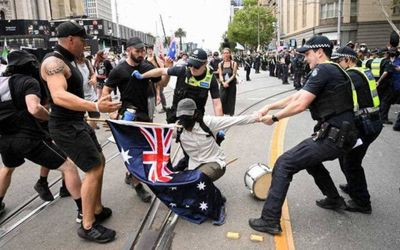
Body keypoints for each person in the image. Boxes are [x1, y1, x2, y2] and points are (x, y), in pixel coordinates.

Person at [249, 36, 358, 235]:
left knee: (284, 163)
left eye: (308, 53)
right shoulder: (330, 70)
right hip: (339, 135)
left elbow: (300, 104)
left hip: (334, 136)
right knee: (310, 161)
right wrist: (269, 106)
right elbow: (298, 95)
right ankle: (334, 199)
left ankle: (270, 220)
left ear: (320, 52)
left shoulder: (323, 69)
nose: (306, 58)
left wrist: (273, 118)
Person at [40, 20, 121, 243]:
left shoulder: (69, 60)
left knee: (100, 160)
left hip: (77, 122)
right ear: (71, 40)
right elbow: (59, 96)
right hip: (65, 127)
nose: (84, 46)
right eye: (83, 41)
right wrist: (96, 107)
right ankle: (87, 225)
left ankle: (96, 208)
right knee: (93, 168)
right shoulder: (54, 62)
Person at [0, 50, 82, 220]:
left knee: (7, 169)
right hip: (29, 138)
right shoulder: (28, 82)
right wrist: (50, 117)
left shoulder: (2, 83)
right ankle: (84, 211)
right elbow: (34, 108)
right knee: (69, 167)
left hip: (5, 139)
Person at [103, 37, 169, 202]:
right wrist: (111, 112)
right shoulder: (119, 70)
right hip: (127, 117)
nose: (141, 54)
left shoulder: (146, 66)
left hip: (145, 115)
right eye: (137, 51)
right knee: (135, 152)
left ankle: (131, 174)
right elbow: (105, 92)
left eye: (143, 51)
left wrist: (167, 69)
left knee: (145, 149)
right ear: (128, 50)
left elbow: (163, 82)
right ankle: (138, 185)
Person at [332, 46, 383, 214]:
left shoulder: (352, 75)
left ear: (348, 60)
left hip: (366, 124)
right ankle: (353, 186)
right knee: (345, 156)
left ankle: (362, 202)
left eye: (339, 61)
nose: (338, 65)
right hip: (371, 122)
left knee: (351, 162)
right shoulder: (363, 70)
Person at [77, 52, 100, 129]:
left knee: (96, 116)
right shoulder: (71, 63)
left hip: (91, 95)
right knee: (80, 119)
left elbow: (93, 74)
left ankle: (90, 131)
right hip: (78, 97)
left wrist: (93, 79)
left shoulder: (86, 61)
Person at [146, 44, 167, 113]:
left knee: (160, 92)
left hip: (158, 78)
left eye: (150, 49)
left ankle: (165, 107)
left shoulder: (156, 58)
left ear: (152, 50)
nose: (149, 51)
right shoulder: (145, 58)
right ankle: (152, 108)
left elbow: (162, 67)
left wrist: (159, 73)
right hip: (150, 79)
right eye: (148, 49)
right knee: (152, 93)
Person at [218, 48, 238, 116]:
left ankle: (231, 115)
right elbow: (220, 74)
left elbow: (234, 75)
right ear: (222, 54)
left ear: (230, 54)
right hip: (223, 85)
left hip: (231, 84)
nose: (226, 54)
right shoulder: (220, 64)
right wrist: (223, 82)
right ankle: (222, 114)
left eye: (227, 53)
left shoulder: (233, 63)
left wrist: (227, 82)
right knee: (222, 98)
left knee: (231, 100)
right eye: (224, 53)